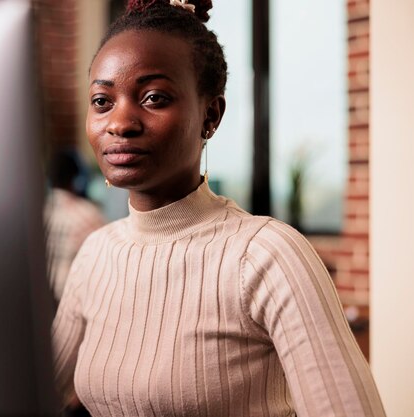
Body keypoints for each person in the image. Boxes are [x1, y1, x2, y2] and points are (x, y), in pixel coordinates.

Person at [51, 1, 386, 416]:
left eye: (154, 97)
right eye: (102, 101)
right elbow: (34, 394)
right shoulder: (95, 254)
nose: (120, 123)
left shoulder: (266, 256)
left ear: (211, 115)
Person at [45, 150, 105, 305]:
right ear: (78, 179)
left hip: (45, 297)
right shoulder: (87, 215)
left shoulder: (41, 211)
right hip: (71, 299)